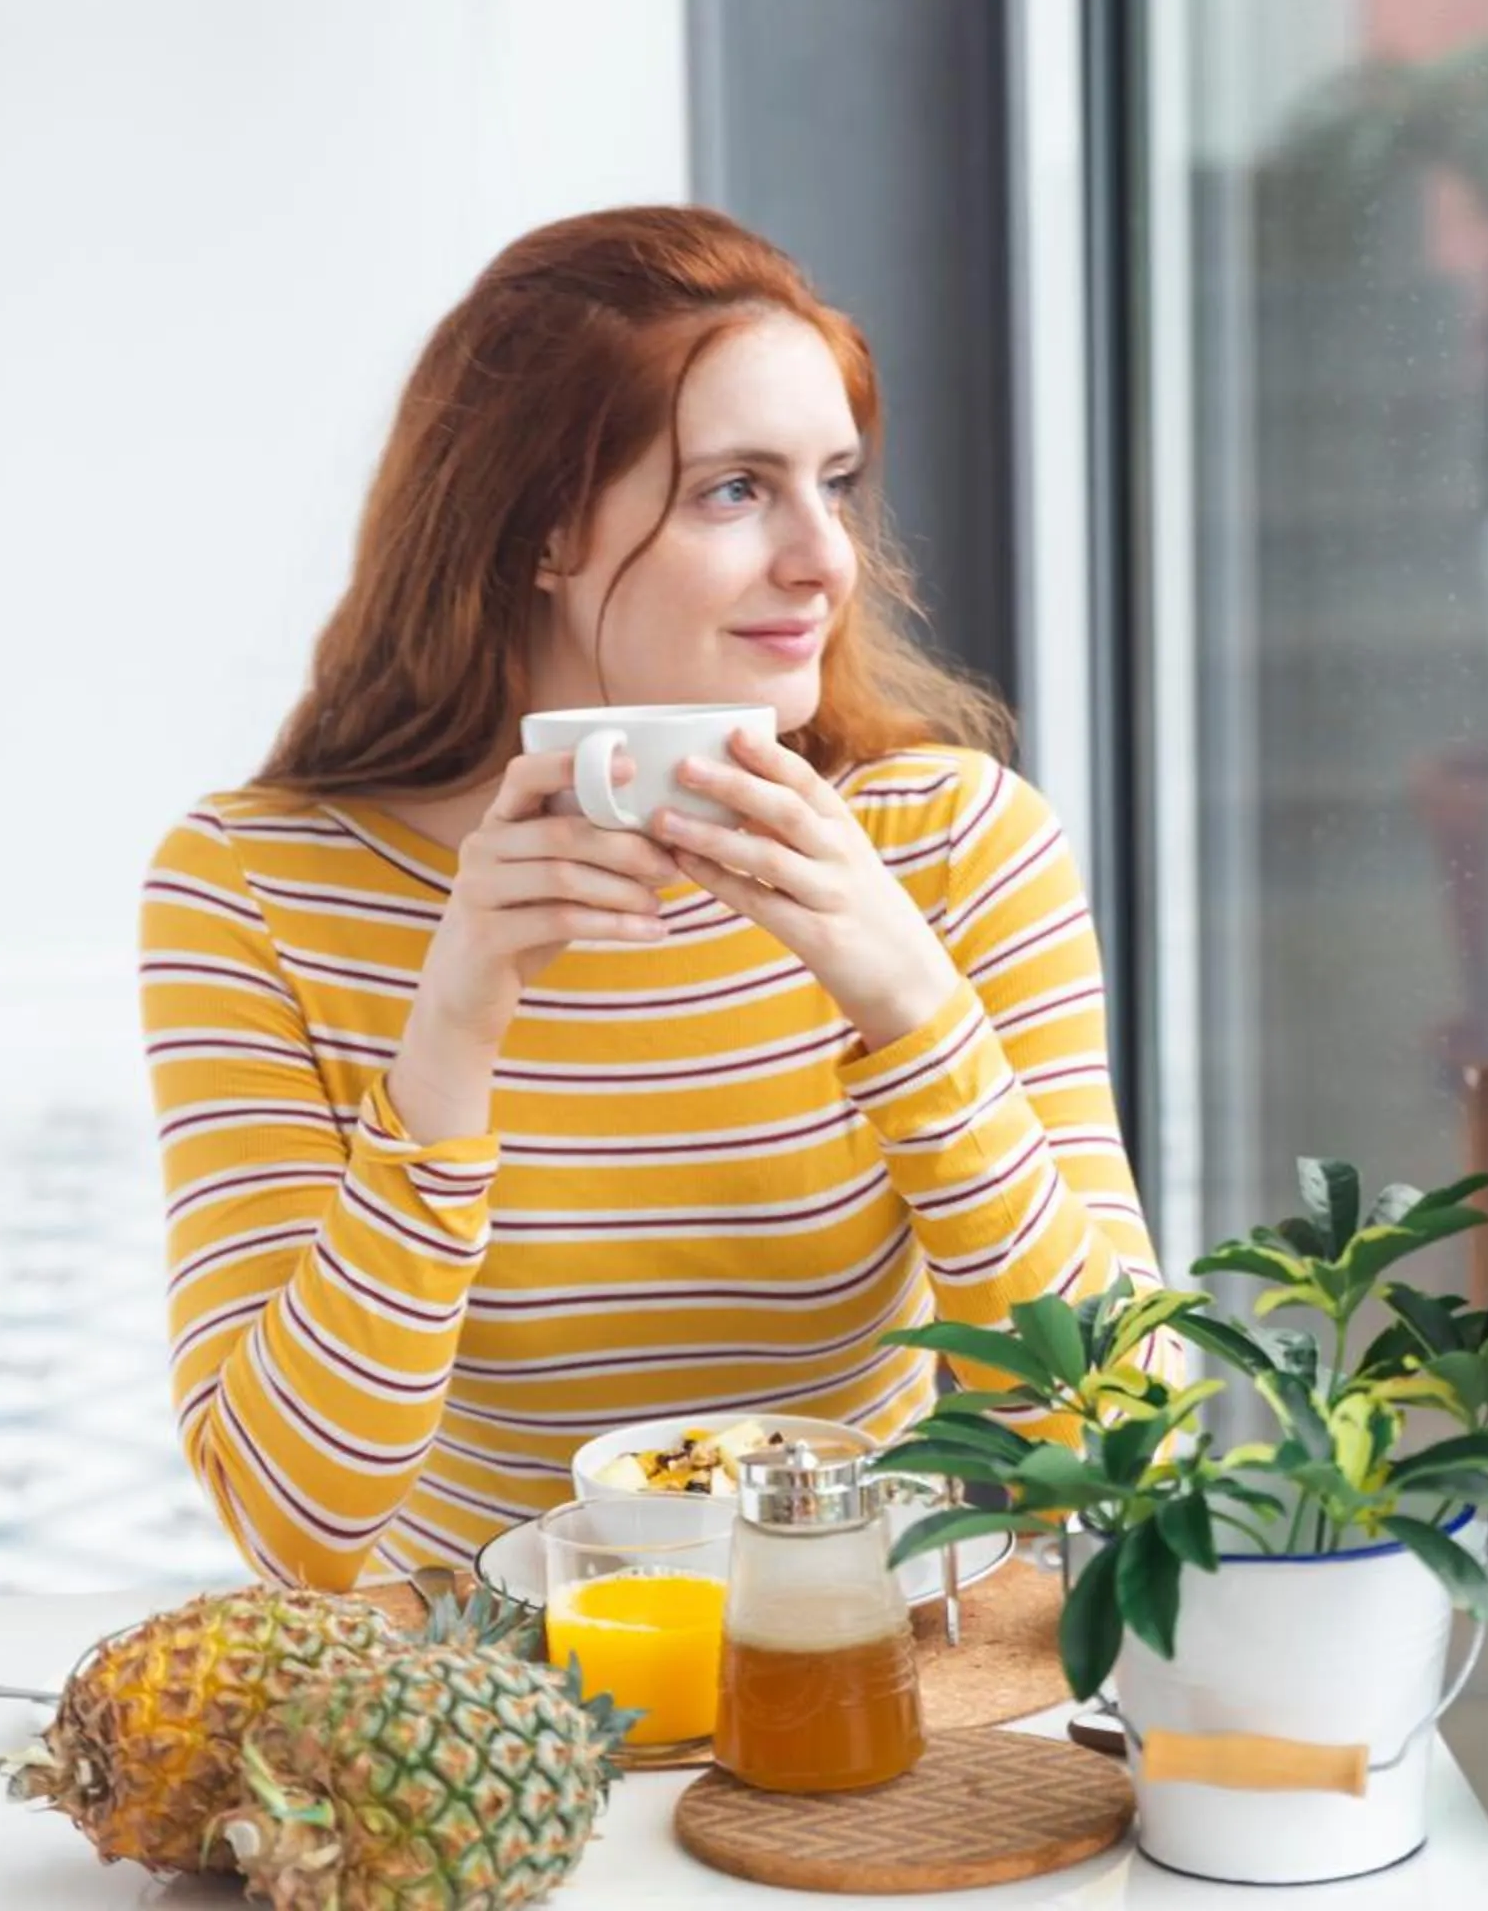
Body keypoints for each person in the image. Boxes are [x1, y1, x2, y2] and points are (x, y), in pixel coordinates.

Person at [143, 206, 1155, 1588]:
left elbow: (1126, 1436)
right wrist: (447, 1043)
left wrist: (911, 1008)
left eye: (835, 484)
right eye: (734, 490)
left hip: (865, 1669)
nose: (824, 558)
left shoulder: (957, 847)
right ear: (546, 528)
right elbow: (297, 1530)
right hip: (486, 1702)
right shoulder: (254, 892)